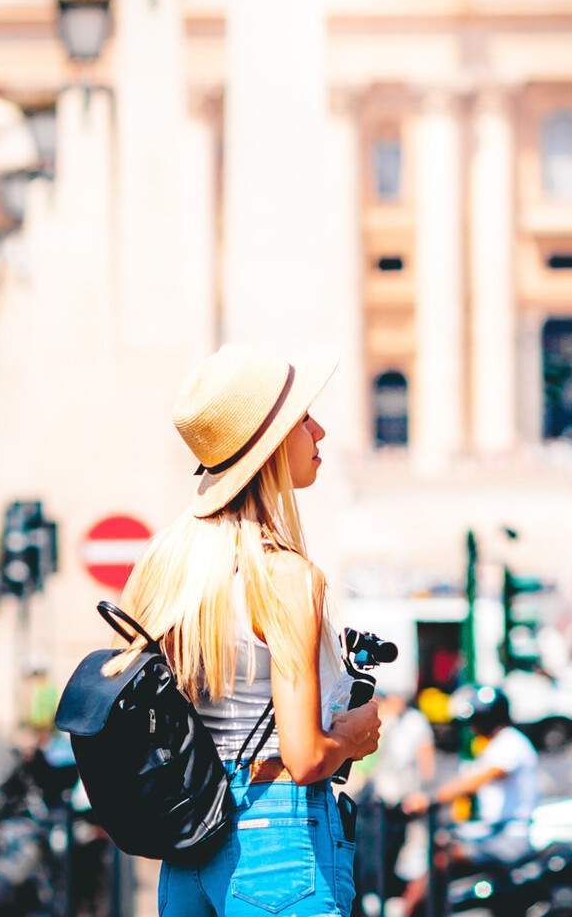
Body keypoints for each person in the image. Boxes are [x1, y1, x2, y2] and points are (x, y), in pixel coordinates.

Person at [115, 344, 382, 917]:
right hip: (278, 839)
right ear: (273, 445)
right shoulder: (284, 574)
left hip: (189, 845)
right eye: (304, 418)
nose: (321, 431)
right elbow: (305, 755)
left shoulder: (166, 567)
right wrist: (355, 736)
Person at [399, 687, 540, 912]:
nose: (472, 727)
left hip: (509, 836)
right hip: (495, 831)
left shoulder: (510, 744)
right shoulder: (498, 744)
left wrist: (431, 799)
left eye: (475, 720)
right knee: (445, 843)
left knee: (441, 856)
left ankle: (410, 912)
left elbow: (474, 781)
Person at [363, 687, 437, 898]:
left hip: (409, 802)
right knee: (377, 855)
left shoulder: (415, 722)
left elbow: (426, 763)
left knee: (413, 858)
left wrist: (424, 794)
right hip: (379, 802)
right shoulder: (381, 719)